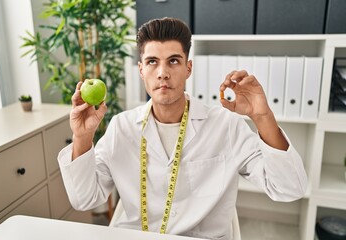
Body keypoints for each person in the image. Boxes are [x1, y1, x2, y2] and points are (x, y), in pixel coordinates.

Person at [58, 17, 307, 240]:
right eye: (152, 62)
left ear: (188, 68)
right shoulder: (121, 126)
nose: (163, 73)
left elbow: (289, 188)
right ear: (141, 70)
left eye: (174, 61)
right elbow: (84, 199)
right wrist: (82, 136)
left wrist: (262, 116)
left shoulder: (225, 125)